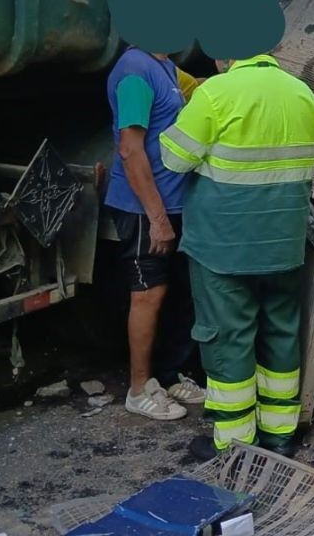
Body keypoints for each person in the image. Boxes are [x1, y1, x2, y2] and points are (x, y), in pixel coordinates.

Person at [160, 51, 314, 458]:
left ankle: (235, 446)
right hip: (283, 244)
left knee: (229, 339)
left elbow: (173, 159)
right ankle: (279, 437)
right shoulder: (304, 95)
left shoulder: (216, 93)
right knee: (280, 336)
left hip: (224, 248)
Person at [104, 46, 207, 421]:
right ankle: (139, 389)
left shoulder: (164, 66)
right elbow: (130, 150)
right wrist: (157, 218)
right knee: (149, 292)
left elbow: (197, 87)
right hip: (145, 206)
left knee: (180, 290)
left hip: (175, 203)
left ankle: (169, 375)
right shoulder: (135, 71)